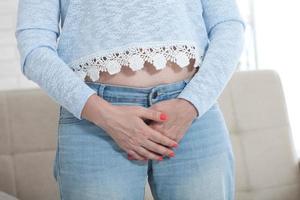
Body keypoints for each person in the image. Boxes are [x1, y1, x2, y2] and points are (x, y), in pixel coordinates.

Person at [15, 0, 245, 199]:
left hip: (192, 115)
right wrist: (104, 115)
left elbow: (228, 25)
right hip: (95, 121)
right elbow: (34, 47)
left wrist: (191, 104)